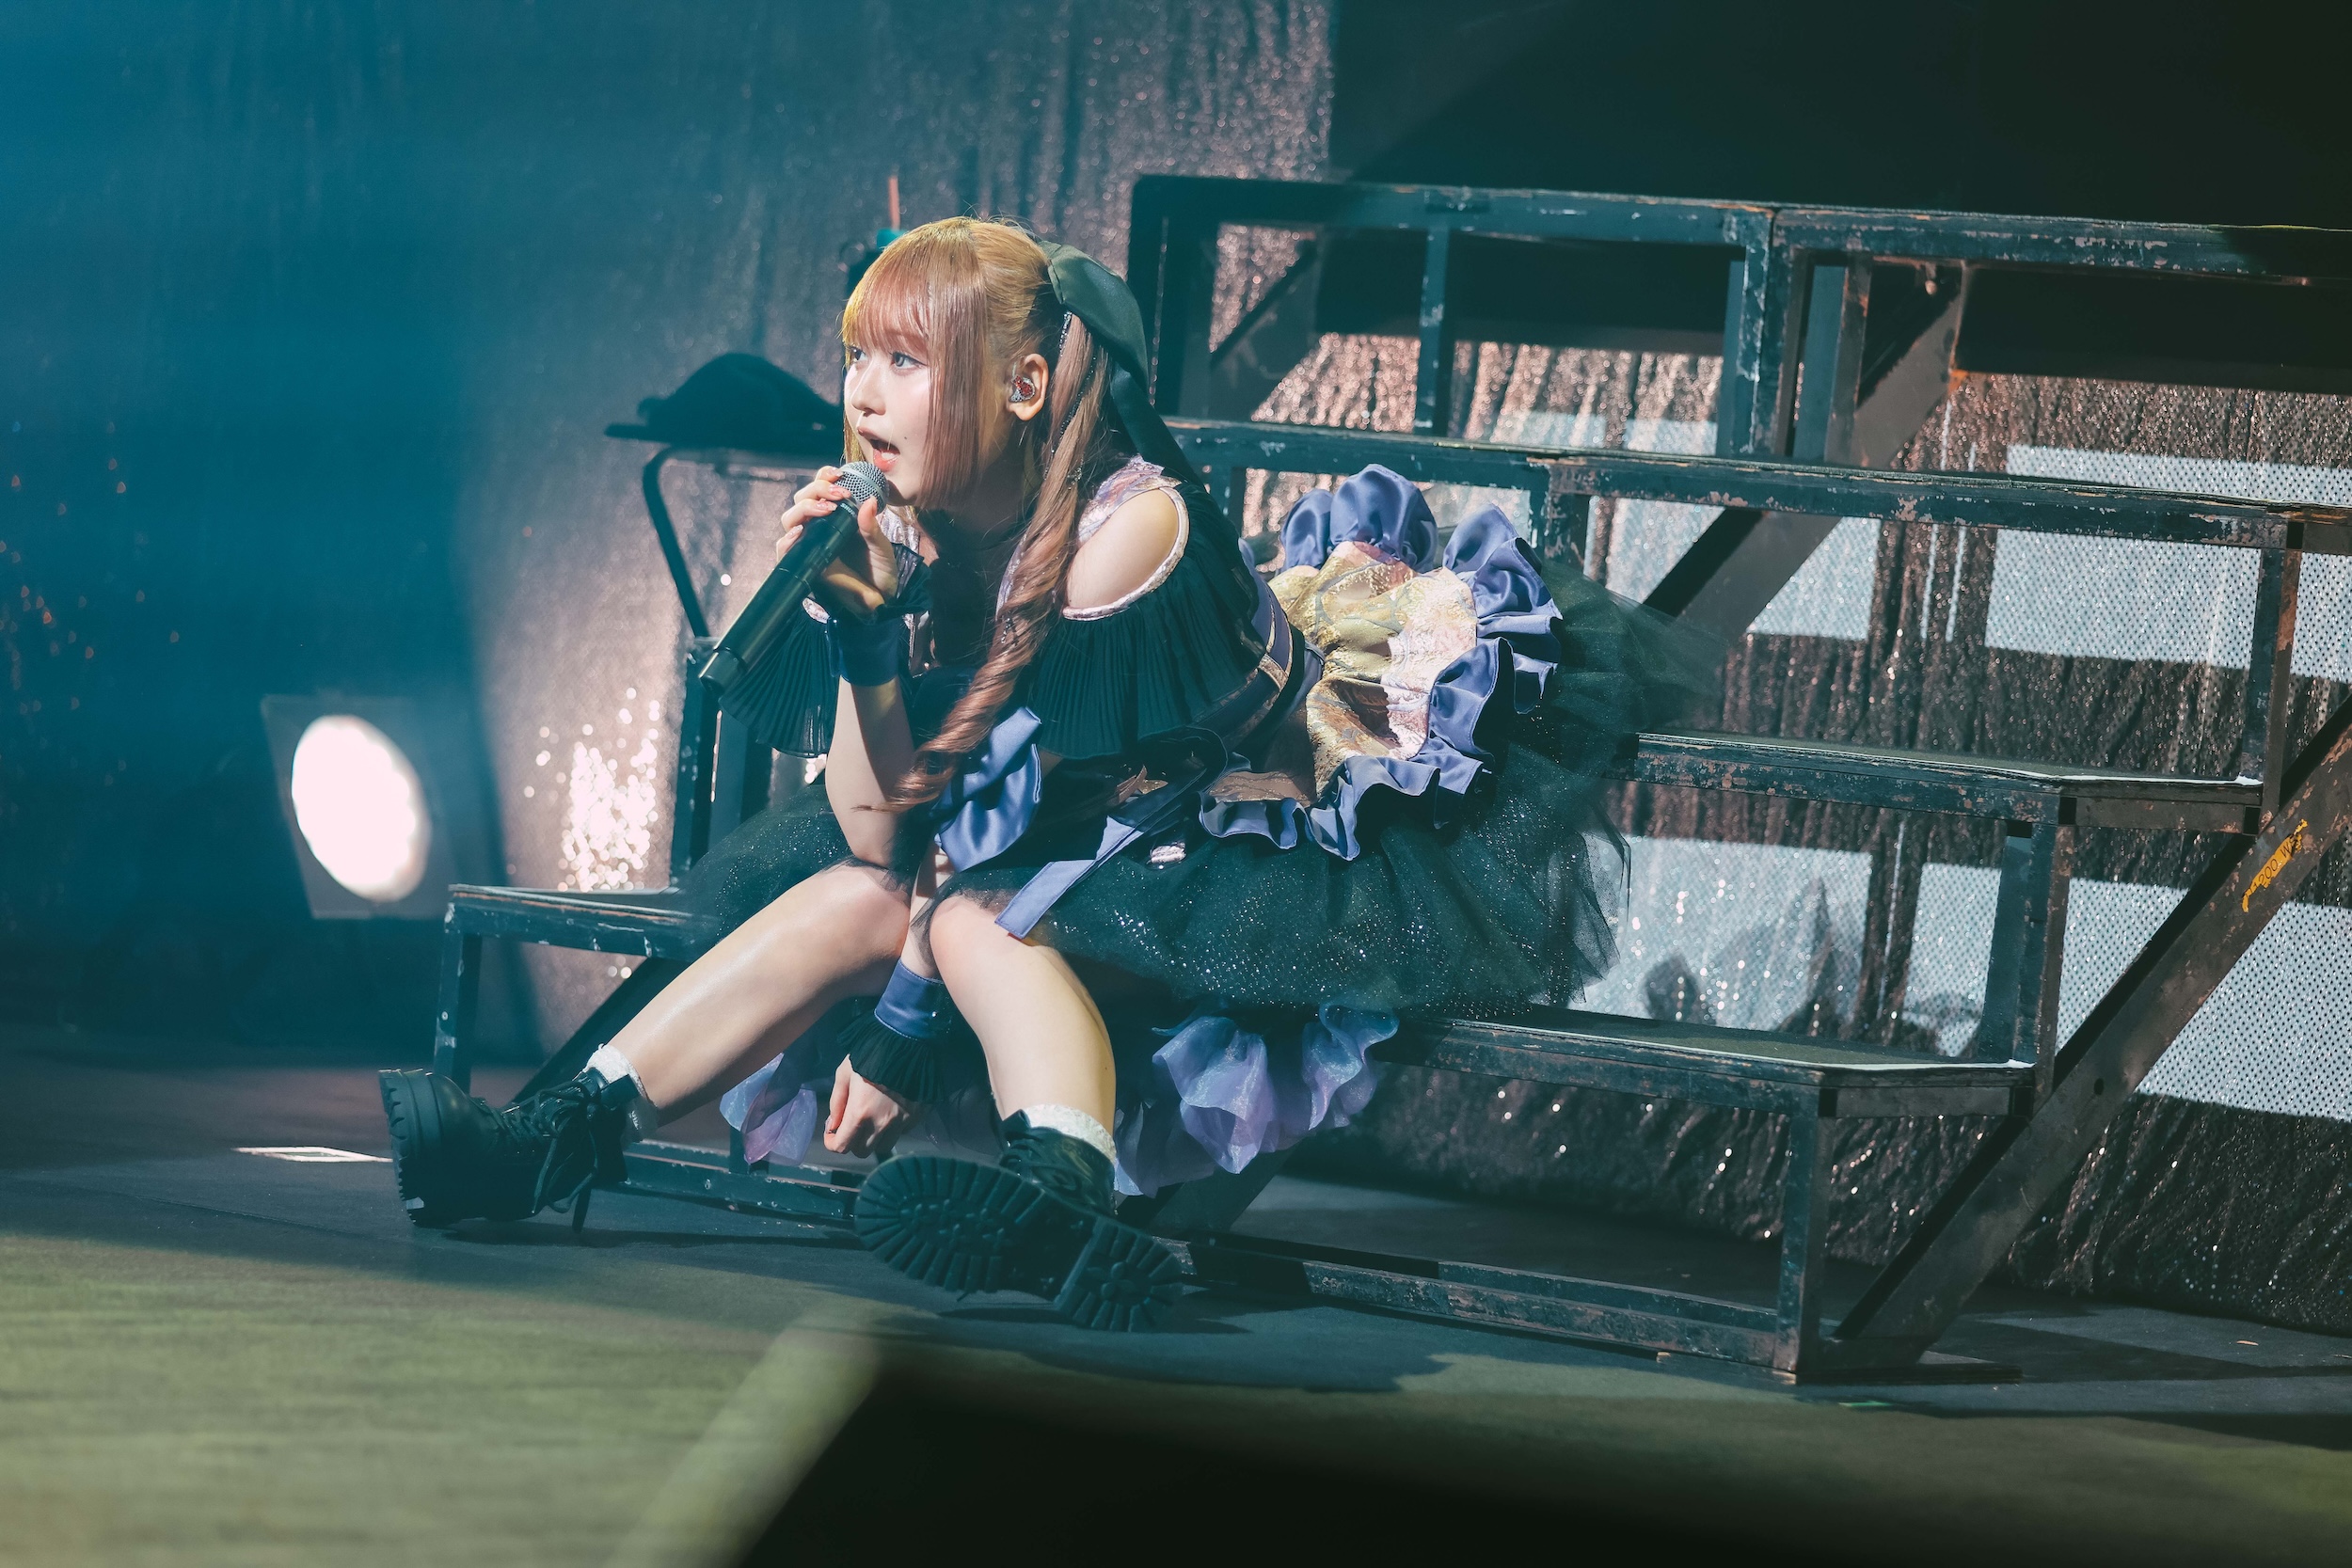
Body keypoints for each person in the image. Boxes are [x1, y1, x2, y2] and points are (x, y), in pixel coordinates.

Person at [379, 216, 1715, 1331]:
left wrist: (903, 1038)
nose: (862, 394)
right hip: (1055, 850)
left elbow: (1020, 833)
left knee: (969, 916)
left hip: (1227, 843)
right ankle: (549, 1142)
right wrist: (862, 630)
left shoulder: (1127, 534)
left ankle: (1061, 1200)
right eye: (857, 356)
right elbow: (875, 830)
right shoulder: (909, 530)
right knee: (855, 895)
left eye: (907, 360)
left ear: (1023, 388)